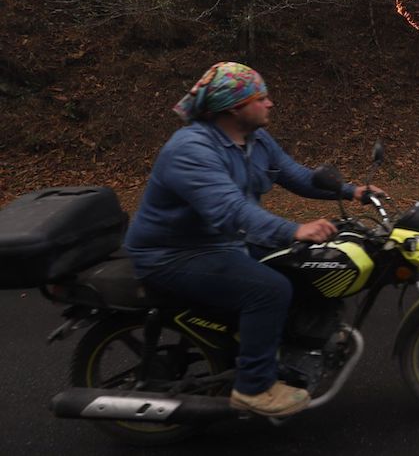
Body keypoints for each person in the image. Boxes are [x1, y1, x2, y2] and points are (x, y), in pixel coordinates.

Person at [124, 61, 380, 417]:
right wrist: (293, 229)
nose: (270, 103)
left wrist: (352, 191)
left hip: (222, 239)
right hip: (176, 252)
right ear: (234, 107)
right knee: (269, 289)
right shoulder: (191, 149)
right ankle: (253, 388)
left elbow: (294, 175)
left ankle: (296, 344)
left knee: (306, 261)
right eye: (261, 97)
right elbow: (231, 210)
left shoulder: (253, 138)